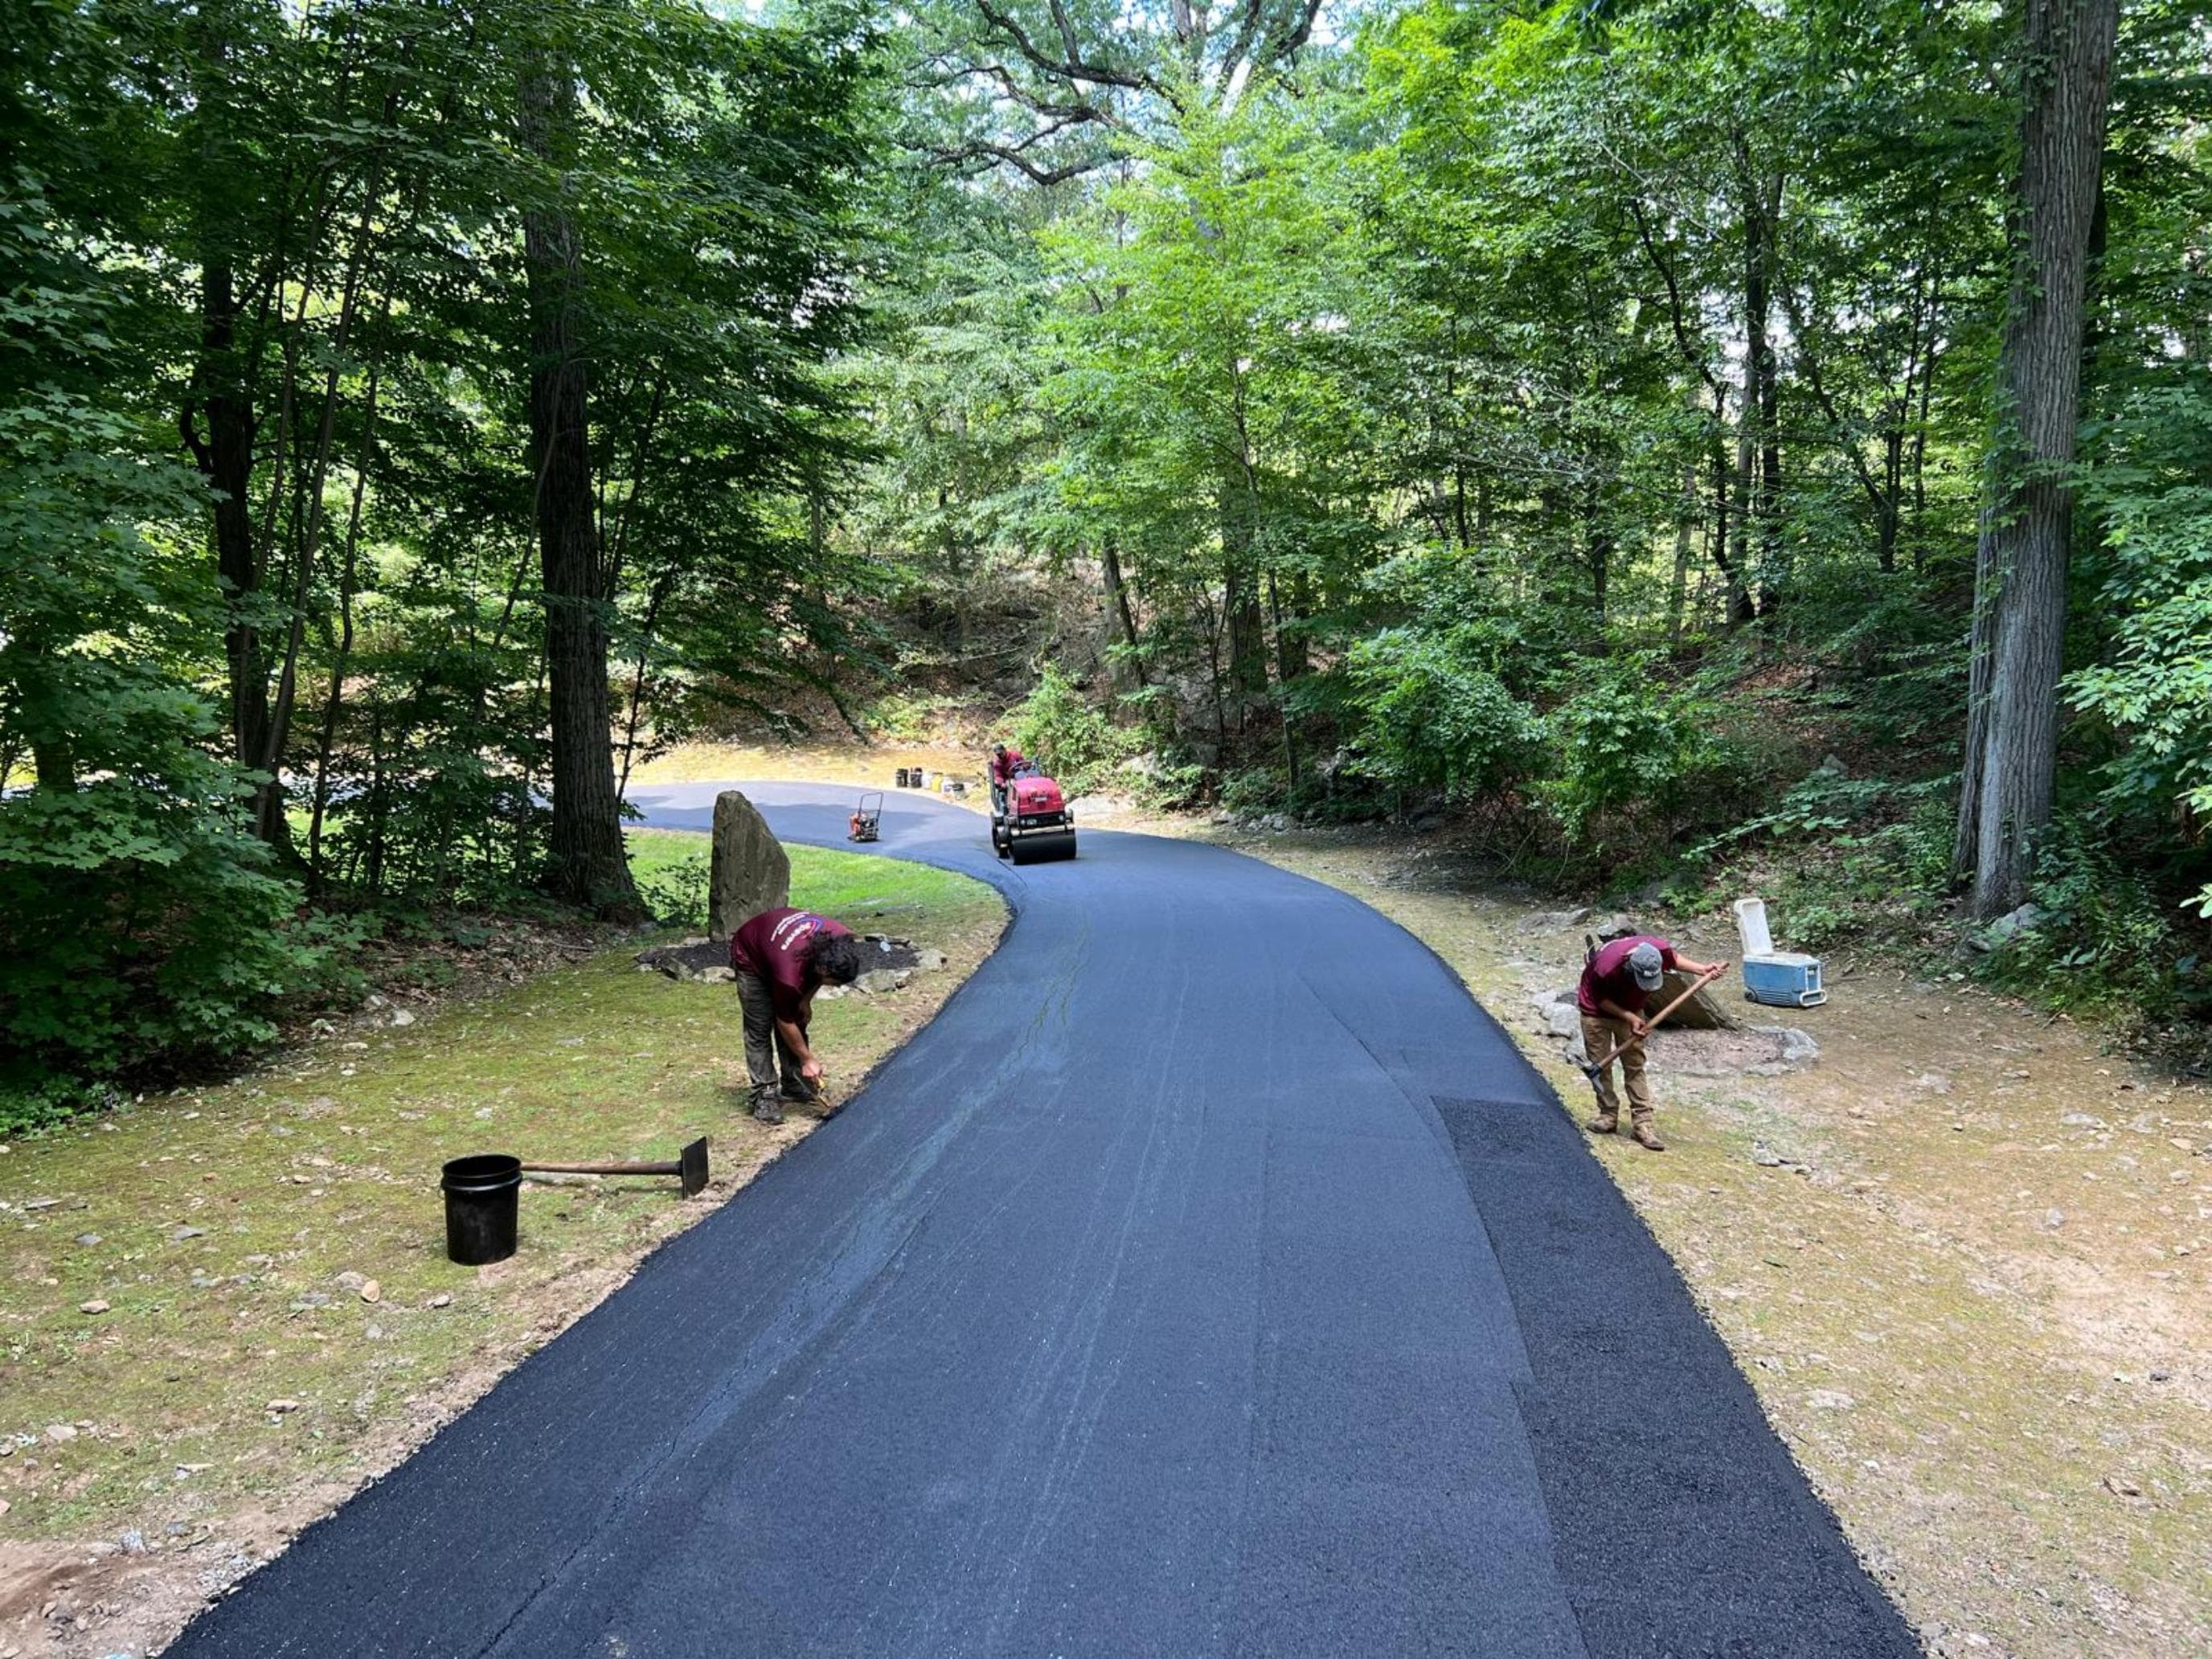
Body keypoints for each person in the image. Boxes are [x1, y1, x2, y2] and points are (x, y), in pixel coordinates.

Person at [1576, 934, 1727, 1152]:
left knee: (1635, 1065)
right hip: (1597, 1011)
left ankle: (1642, 1124)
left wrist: (1701, 969)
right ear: (1630, 967)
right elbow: (1601, 1000)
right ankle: (1607, 1115)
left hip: (1632, 1009)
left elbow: (1673, 958)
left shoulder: (1657, 950)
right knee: (1601, 1066)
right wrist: (1630, 1017)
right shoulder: (1606, 967)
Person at [730, 907, 864, 1124]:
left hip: (781, 946)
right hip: (751, 955)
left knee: (798, 1017)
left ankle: (794, 1084)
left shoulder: (841, 939)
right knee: (759, 1028)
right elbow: (785, 1020)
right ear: (821, 969)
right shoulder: (789, 976)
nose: (834, 986)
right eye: (834, 983)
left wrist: (805, 1000)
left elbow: (816, 983)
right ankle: (764, 1094)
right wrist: (808, 1058)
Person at [989, 743, 1028, 814]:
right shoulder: (997, 764)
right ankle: (1012, 807)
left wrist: (1025, 766)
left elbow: (1023, 763)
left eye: (1001, 753)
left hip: (1020, 776)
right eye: (998, 754)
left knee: (1028, 781)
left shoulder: (1015, 756)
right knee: (1011, 785)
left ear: (1005, 750)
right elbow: (998, 776)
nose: (1000, 755)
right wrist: (1002, 783)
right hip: (1008, 780)